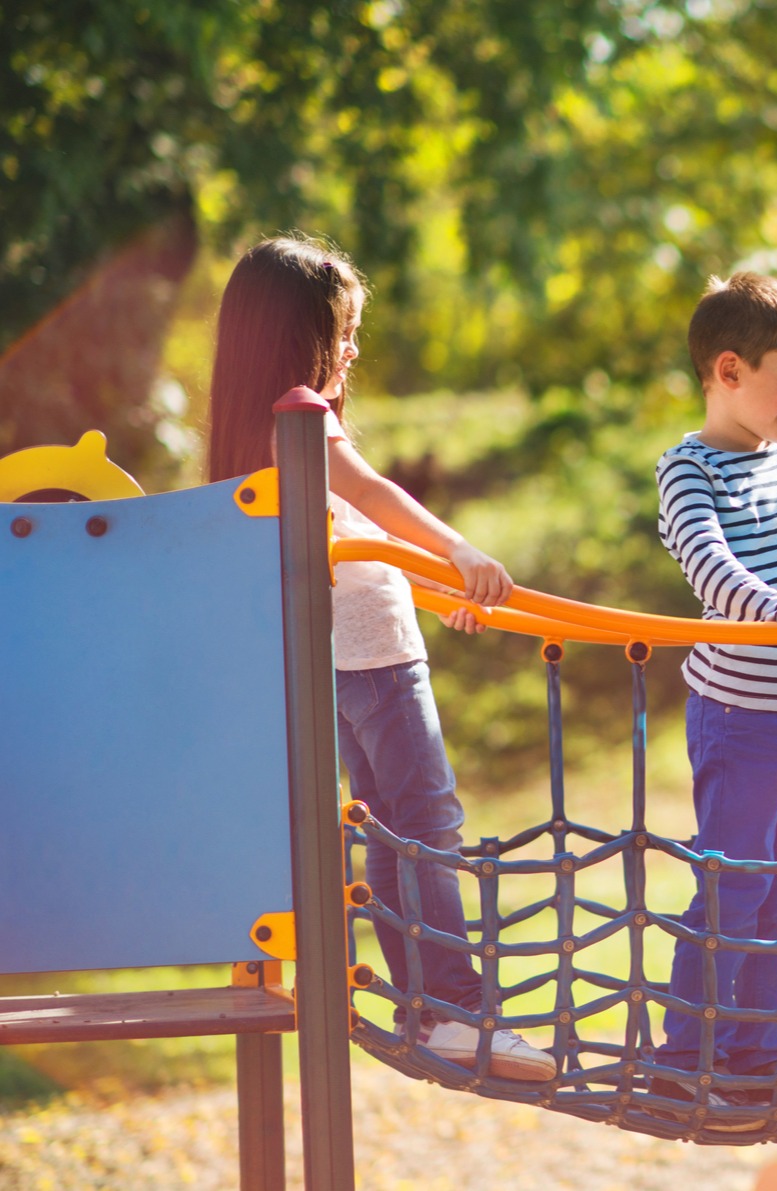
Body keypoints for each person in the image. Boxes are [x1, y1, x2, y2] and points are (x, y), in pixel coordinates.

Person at [205, 235, 555, 1082]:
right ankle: (456, 1009)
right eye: (344, 330)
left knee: (391, 828)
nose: (354, 347)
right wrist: (461, 550)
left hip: (333, 665)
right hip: (378, 665)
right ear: (299, 337)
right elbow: (376, 499)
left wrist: (439, 591)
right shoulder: (306, 415)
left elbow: (347, 547)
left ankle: (427, 1007)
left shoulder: (253, 428)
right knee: (426, 825)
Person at [653, 273, 777, 1111]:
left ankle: (764, 1055)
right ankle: (687, 1056)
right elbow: (710, 568)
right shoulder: (687, 470)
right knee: (736, 880)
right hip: (742, 713)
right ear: (728, 370)